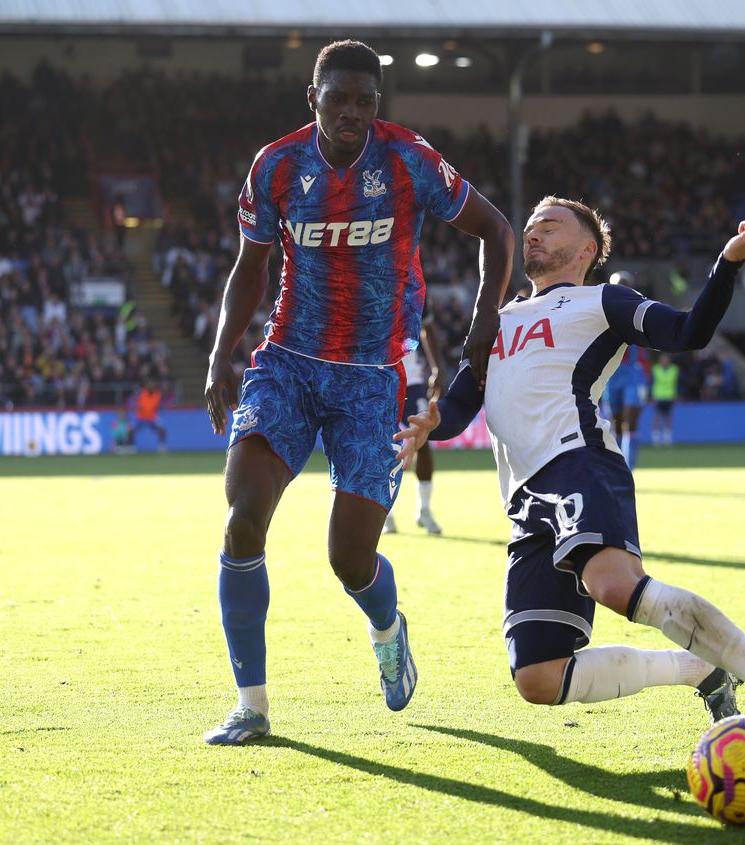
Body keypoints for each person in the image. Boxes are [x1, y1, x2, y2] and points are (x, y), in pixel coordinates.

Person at [396, 198, 745, 748]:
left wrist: (729, 260)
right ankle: (699, 669)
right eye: (529, 226)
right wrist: (429, 421)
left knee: (611, 584)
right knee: (538, 677)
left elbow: (690, 332)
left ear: (587, 249)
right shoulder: (498, 320)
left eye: (549, 225)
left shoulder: (604, 300)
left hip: (578, 463)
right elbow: (460, 407)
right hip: (526, 501)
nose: (532, 233)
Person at [201, 40, 514, 745]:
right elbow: (251, 267)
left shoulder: (408, 159)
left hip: (373, 379)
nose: (351, 113)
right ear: (312, 98)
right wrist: (222, 353)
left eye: (364, 102)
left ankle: (387, 627)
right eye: (338, 99)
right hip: (287, 364)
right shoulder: (277, 165)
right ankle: (252, 705)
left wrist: (484, 318)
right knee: (242, 520)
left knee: (348, 559)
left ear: (378, 105)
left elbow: (496, 229)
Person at [383, 295, 446, 535]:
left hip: (412, 380)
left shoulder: (415, 288)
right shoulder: (368, 281)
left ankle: (425, 510)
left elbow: (427, 328)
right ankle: (385, 513)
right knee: (383, 446)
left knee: (422, 440)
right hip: (379, 378)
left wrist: (437, 368)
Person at [602, 273, 649, 469]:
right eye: (617, 286)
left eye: (625, 285)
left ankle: (629, 471)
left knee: (631, 424)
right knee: (616, 426)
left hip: (634, 374)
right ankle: (618, 469)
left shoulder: (642, 309)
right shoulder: (602, 312)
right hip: (612, 375)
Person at [650, 352, 679, 446]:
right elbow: (652, 382)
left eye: (666, 359)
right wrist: (652, 396)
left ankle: (667, 438)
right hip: (658, 396)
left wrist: (676, 395)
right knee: (657, 417)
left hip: (670, 396)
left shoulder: (674, 369)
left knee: (668, 417)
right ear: (660, 360)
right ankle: (656, 438)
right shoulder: (655, 369)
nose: (665, 361)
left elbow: (676, 383)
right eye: (663, 359)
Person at [131, 378, 166, 452]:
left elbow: (158, 405)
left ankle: (161, 446)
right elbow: (137, 403)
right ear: (146, 386)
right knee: (131, 430)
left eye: (152, 384)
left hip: (152, 417)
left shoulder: (158, 394)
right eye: (149, 384)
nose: (151, 386)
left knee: (162, 429)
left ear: (155, 386)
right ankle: (132, 447)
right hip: (141, 417)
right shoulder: (142, 393)